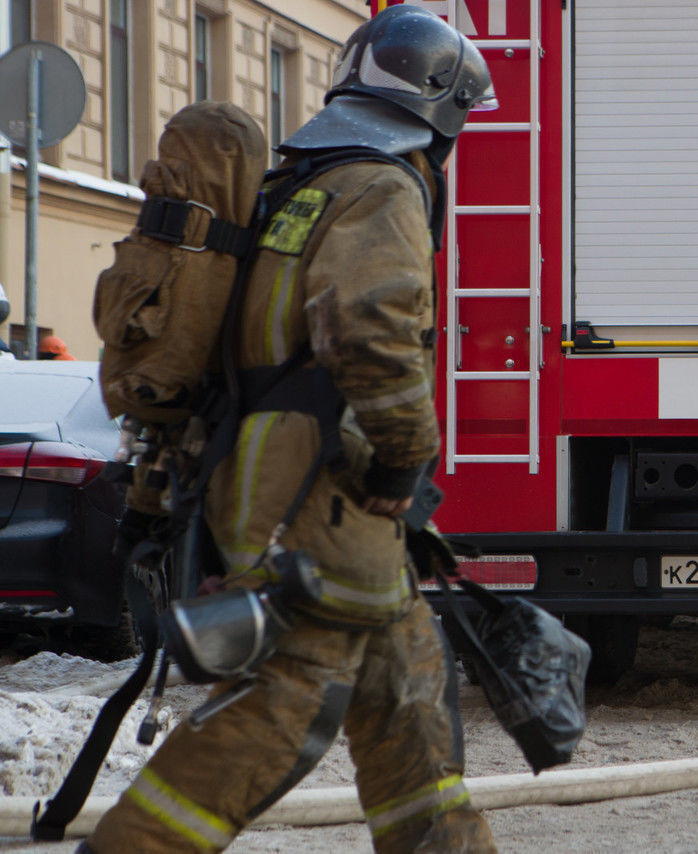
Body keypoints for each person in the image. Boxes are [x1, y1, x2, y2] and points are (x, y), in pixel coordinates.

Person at [85, 7, 498, 852]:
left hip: (276, 485)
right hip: (319, 501)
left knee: (408, 700)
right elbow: (371, 329)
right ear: (443, 109)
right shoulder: (382, 185)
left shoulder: (297, 181)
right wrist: (405, 459)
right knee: (281, 706)